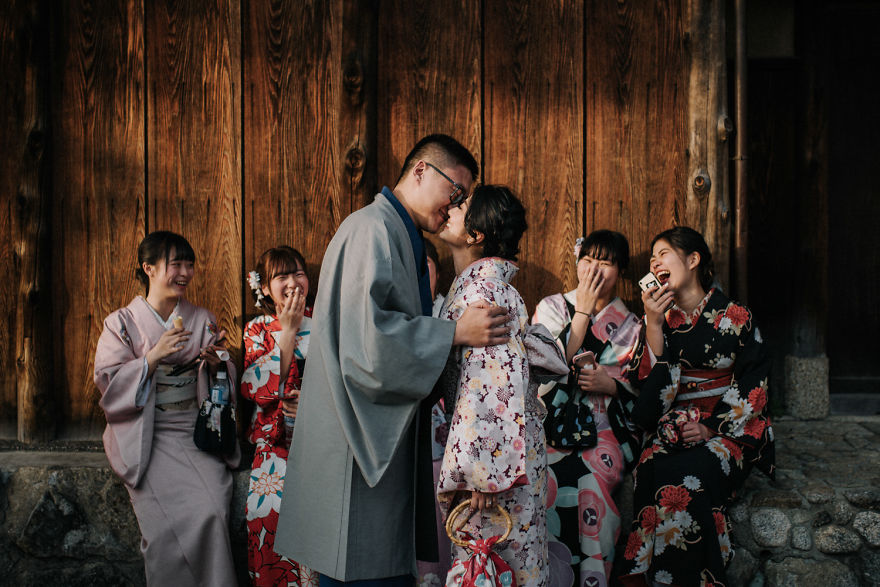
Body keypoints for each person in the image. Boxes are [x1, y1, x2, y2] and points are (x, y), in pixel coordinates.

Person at [274, 134, 511, 584]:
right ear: (421, 170)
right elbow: (369, 345)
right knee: (361, 567)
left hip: (377, 433)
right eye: (453, 192)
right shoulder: (371, 230)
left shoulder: (396, 231)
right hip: (356, 440)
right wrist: (454, 332)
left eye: (462, 198)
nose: (453, 205)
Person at [619, 226, 774, 586]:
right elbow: (645, 398)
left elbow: (755, 383)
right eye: (652, 257)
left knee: (693, 471)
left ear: (692, 260)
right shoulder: (659, 319)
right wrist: (654, 325)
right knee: (653, 465)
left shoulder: (736, 316)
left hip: (725, 430)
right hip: (670, 424)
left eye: (663, 253)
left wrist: (710, 428)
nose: (655, 261)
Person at [435, 185, 568, 586]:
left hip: (494, 465)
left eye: (460, 207)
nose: (449, 210)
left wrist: (485, 473)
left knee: (497, 565)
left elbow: (492, 383)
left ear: (476, 235)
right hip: (503, 454)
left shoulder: (484, 290)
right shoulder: (484, 286)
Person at [93, 231, 238, 586]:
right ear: (149, 268)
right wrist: (153, 356)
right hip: (147, 435)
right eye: (176, 264)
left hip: (194, 432)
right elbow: (108, 382)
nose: (185, 273)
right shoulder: (121, 323)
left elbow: (222, 377)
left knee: (212, 510)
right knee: (161, 533)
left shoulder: (201, 317)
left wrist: (217, 364)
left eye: (189, 265)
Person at [532, 230, 642, 586]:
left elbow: (646, 390)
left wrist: (611, 386)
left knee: (591, 482)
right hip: (553, 426)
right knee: (543, 480)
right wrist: (581, 311)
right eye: (588, 260)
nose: (595, 269)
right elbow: (545, 370)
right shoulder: (551, 308)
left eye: (606, 263)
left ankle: (595, 579)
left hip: (604, 428)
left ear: (620, 271)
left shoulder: (630, 325)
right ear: (577, 262)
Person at [241, 246, 318, 586]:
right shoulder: (257, 330)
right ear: (265, 287)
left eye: (298, 273)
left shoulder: (327, 323)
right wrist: (287, 331)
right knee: (270, 530)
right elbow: (253, 389)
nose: (292, 283)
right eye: (281, 276)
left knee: (318, 543)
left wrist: (314, 404)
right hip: (273, 454)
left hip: (320, 448)